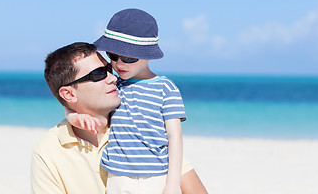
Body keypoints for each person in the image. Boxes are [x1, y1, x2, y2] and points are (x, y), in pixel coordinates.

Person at [31, 42, 207, 194]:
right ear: (68, 94)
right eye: (98, 74)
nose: (112, 78)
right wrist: (72, 115)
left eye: (109, 70)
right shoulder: (49, 150)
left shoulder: (142, 124)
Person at [66, 9, 187, 194]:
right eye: (113, 56)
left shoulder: (166, 88)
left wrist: (173, 183)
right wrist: (72, 116)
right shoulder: (114, 85)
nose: (119, 64)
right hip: (117, 177)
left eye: (129, 57)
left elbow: (175, 137)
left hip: (156, 176)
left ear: (148, 55)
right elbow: (84, 105)